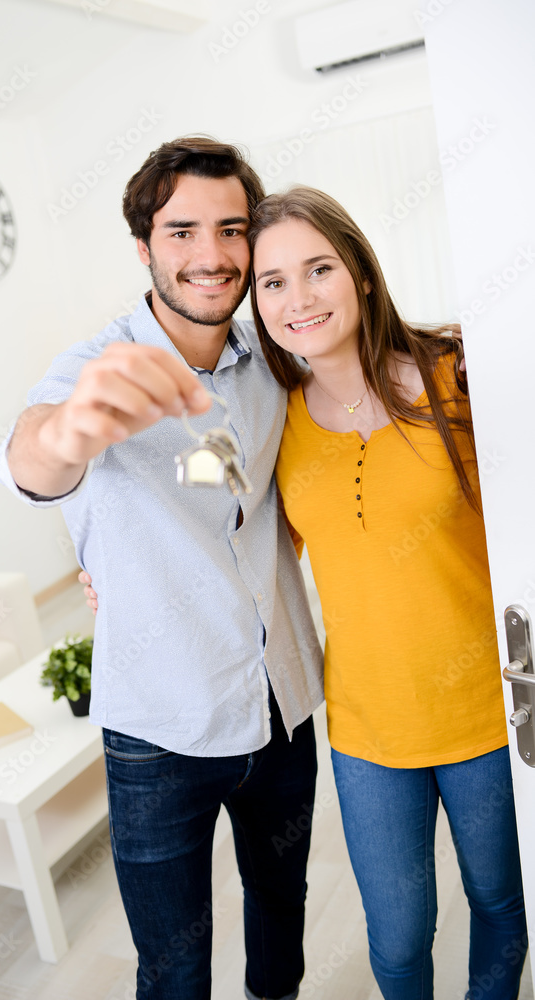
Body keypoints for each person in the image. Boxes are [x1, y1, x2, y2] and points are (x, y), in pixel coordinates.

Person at [0, 139, 324, 1000]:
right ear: (144, 247)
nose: (210, 255)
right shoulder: (95, 368)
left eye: (230, 229)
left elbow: (233, 492)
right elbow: (34, 456)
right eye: (182, 231)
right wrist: (69, 434)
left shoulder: (269, 363)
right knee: (173, 969)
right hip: (158, 731)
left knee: (280, 915)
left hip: (279, 704)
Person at [245, 185, 527, 1000]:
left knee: (501, 905)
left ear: (360, 273)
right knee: (398, 942)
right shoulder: (274, 425)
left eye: (318, 269)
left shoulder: (457, 378)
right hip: (367, 732)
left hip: (486, 716)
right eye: (271, 282)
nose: (297, 298)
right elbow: (228, 538)